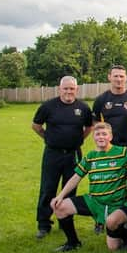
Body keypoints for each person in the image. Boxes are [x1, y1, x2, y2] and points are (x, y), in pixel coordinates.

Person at [50, 123, 127, 252]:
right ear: (93, 137)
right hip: (94, 201)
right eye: (98, 134)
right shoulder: (90, 156)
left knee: (113, 248)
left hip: (115, 204)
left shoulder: (123, 153)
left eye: (104, 134)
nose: (101, 137)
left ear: (110, 136)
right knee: (60, 207)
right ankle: (73, 243)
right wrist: (60, 196)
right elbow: (76, 177)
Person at [32, 76, 93, 239]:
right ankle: (44, 224)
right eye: (65, 88)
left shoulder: (83, 107)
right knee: (48, 188)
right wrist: (48, 138)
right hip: (53, 154)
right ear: (60, 89)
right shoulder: (48, 106)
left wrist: (78, 140)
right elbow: (36, 126)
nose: (68, 91)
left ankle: (65, 218)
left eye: (71, 88)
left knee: (70, 188)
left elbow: (89, 127)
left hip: (73, 153)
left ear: (76, 89)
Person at [92, 64, 127, 147]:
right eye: (115, 76)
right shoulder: (100, 99)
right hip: (107, 147)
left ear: (126, 77)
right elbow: (95, 123)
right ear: (109, 77)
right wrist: (101, 139)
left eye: (121, 76)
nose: (119, 79)